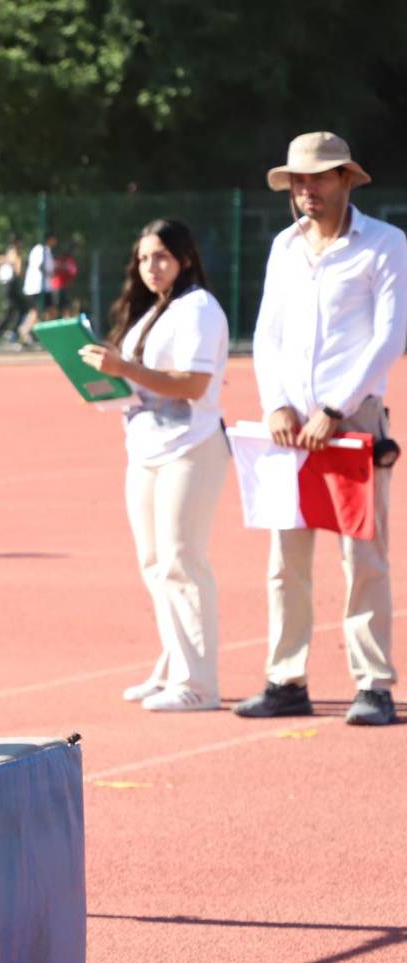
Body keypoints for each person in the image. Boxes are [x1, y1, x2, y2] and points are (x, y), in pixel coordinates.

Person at [237, 132, 407, 728]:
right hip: (286, 430)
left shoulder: (385, 245)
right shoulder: (284, 247)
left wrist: (334, 408)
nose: (305, 190)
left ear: (346, 180)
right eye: (296, 181)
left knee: (363, 557)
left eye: (317, 178)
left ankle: (374, 684)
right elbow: (266, 334)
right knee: (285, 560)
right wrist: (276, 404)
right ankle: (286, 678)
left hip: (351, 422)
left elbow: (390, 335)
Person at [78, 220, 230, 713]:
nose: (151, 267)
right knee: (153, 564)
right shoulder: (148, 316)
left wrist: (123, 369)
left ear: (184, 258)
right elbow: (138, 385)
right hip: (144, 448)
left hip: (191, 446)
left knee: (181, 562)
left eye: (161, 256)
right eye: (144, 258)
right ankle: (172, 667)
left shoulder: (199, 308)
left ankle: (200, 684)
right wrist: (101, 383)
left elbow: (191, 385)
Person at [18, 231, 56, 347]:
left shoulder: (45, 250)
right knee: (36, 312)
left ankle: (40, 334)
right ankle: (25, 331)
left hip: (42, 287)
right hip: (37, 287)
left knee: (47, 311)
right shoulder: (41, 250)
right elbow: (41, 266)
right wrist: (50, 271)